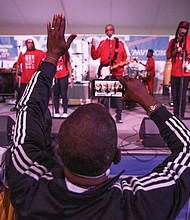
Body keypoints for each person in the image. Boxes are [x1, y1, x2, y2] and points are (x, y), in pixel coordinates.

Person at [5, 13, 190, 220]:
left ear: (58, 150)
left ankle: (119, 113)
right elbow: (187, 149)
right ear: (116, 156)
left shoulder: (28, 183)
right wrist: (147, 99)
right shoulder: (141, 204)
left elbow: (29, 107)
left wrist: (51, 56)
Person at [91, 24, 128, 123]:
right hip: (105, 72)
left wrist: (120, 66)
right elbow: (95, 56)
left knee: (118, 96)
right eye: (107, 30)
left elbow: (125, 58)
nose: (109, 31)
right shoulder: (102, 43)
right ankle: (106, 116)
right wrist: (93, 46)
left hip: (117, 73)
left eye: (111, 29)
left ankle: (118, 116)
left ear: (114, 30)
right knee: (105, 96)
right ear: (105, 32)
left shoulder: (120, 43)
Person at [10, 39, 46, 112]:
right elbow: (17, 64)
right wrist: (17, 75)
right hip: (25, 78)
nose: (30, 45)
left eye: (31, 43)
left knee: (35, 93)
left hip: (34, 78)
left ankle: (34, 107)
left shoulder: (38, 52)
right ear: (26, 45)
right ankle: (18, 106)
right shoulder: (23, 53)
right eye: (29, 43)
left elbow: (47, 55)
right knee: (21, 93)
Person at [166, 21, 190, 118]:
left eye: (185, 29)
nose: (183, 30)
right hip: (175, 72)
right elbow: (168, 56)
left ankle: (181, 116)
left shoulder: (188, 39)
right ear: (178, 29)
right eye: (181, 28)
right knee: (175, 96)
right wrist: (176, 50)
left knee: (181, 96)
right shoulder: (173, 42)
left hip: (185, 73)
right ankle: (176, 115)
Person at [53, 52, 74, 118]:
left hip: (63, 75)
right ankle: (56, 111)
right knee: (56, 95)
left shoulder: (65, 53)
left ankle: (65, 112)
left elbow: (68, 64)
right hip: (55, 76)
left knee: (64, 94)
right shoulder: (53, 52)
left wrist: (71, 77)